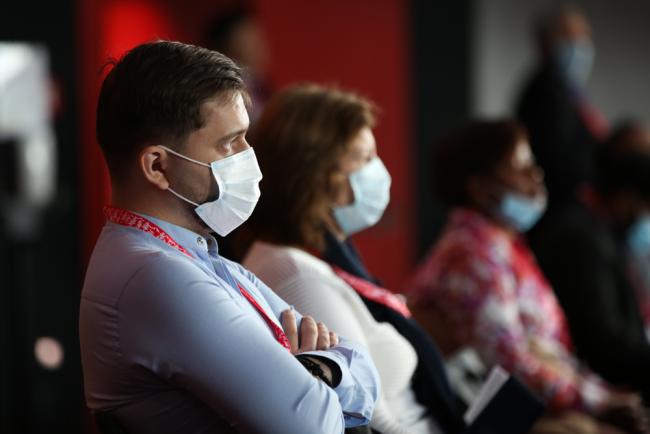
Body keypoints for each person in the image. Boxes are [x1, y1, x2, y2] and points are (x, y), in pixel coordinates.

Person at [79, 41, 380, 434]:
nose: (248, 155)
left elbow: (366, 374)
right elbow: (314, 426)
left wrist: (313, 368)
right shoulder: (156, 277)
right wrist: (321, 370)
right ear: (157, 165)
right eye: (229, 142)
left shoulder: (190, 253)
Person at [241, 83, 457, 434]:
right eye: (365, 158)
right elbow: (373, 420)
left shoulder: (328, 258)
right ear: (318, 175)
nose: (379, 171)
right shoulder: (296, 274)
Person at [407, 120, 647, 434]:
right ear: (480, 188)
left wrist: (602, 395)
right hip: (485, 415)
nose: (536, 175)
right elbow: (510, 361)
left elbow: (544, 350)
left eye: (532, 164)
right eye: (520, 167)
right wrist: (597, 403)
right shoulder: (472, 255)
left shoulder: (502, 243)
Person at [531, 121, 650, 403]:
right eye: (645, 209)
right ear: (625, 199)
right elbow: (603, 344)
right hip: (595, 390)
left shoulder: (596, 230)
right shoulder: (582, 239)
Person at [516, 6, 608, 211]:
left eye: (583, 36)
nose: (579, 45)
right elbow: (558, 161)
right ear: (544, 42)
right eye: (568, 36)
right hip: (561, 210)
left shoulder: (569, 90)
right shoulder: (546, 92)